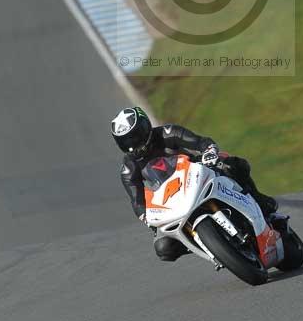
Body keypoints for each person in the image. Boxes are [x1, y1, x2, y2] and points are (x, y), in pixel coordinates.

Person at [111, 106, 278, 262]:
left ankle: (258, 200)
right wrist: (147, 218)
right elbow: (137, 200)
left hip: (197, 172)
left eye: (135, 137)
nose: (132, 146)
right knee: (163, 248)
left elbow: (200, 142)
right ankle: (205, 244)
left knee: (232, 164)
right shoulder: (128, 167)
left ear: (145, 128)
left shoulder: (167, 133)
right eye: (125, 142)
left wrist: (209, 151)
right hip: (170, 199)